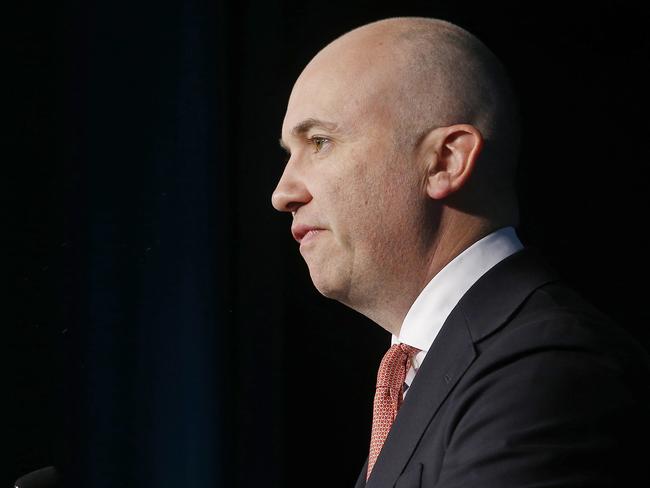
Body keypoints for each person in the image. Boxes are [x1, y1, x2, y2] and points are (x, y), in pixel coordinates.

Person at [271, 17, 650, 488]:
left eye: (320, 142)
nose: (282, 193)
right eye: (290, 152)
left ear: (445, 161)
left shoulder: (546, 366)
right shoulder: (430, 368)